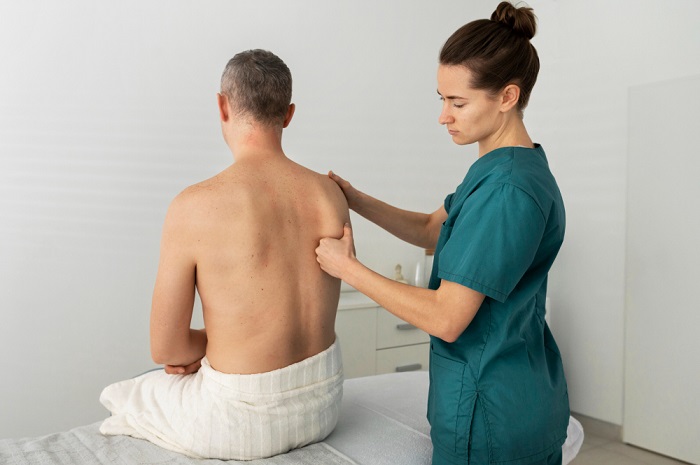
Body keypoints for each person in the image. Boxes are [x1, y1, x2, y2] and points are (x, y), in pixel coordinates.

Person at [316, 3, 574, 464]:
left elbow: (447, 318)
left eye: (457, 103)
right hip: (514, 398)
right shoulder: (501, 169)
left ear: (507, 97)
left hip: (491, 417)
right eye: (442, 99)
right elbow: (431, 229)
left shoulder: (508, 190)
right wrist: (356, 199)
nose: (443, 116)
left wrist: (348, 268)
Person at [99, 49, 350, 461]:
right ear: (288, 114)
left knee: (133, 392)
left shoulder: (194, 205)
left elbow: (166, 349)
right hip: (322, 407)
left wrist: (215, 344)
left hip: (241, 424)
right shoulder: (330, 196)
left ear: (222, 106)